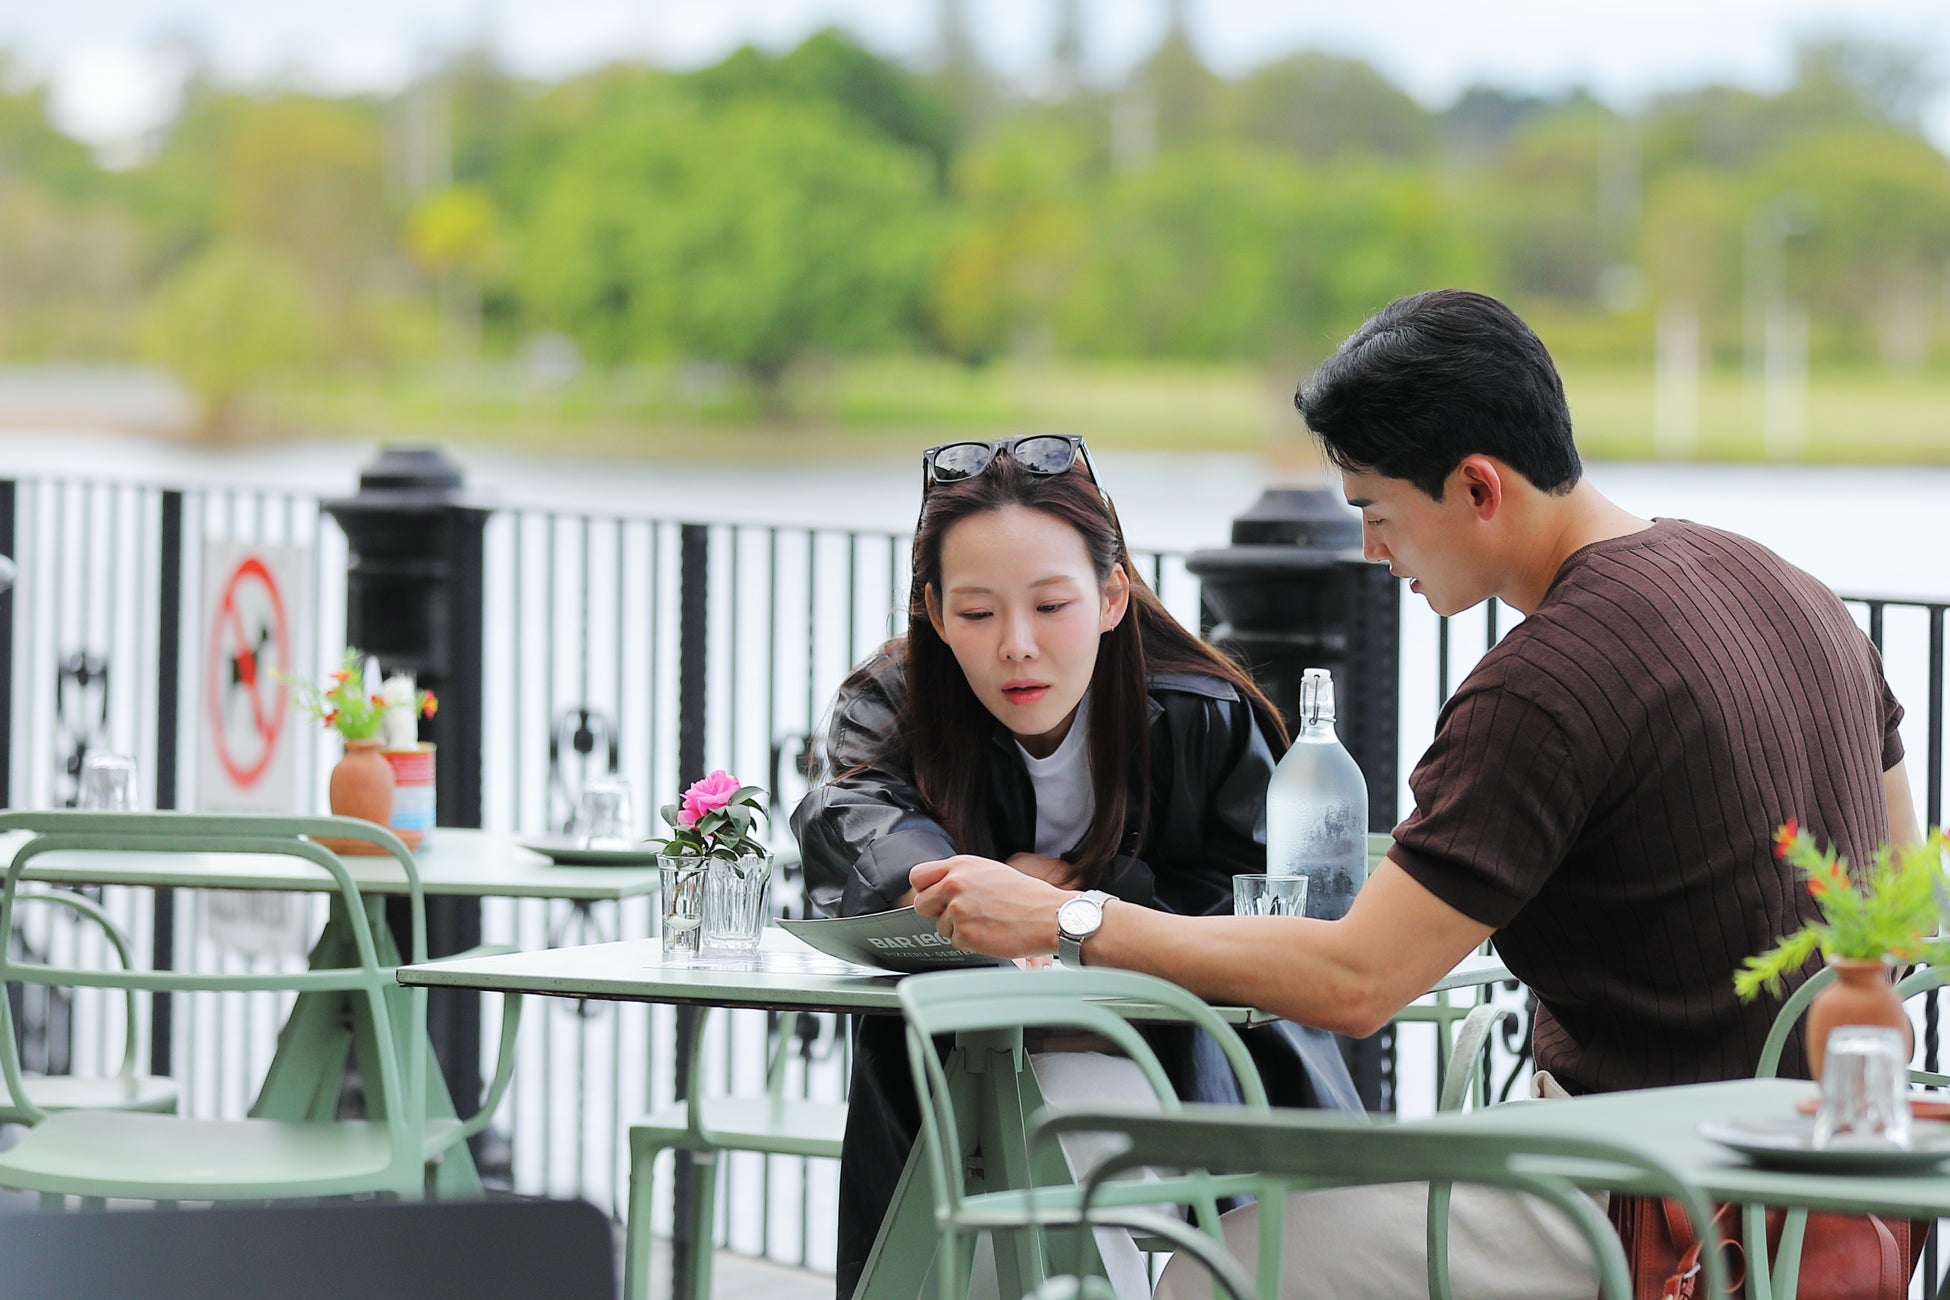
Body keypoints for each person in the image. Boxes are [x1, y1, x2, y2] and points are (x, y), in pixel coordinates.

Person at [910, 291, 1921, 1297]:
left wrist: (1070, 918)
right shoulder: (1796, 592)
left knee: (1227, 1261)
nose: (1369, 550)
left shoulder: (1545, 683)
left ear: (1478, 486)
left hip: (1656, 1211)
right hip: (1849, 1201)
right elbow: (1905, 904)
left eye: (1375, 510)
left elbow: (1357, 983)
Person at [791, 434, 1361, 1299]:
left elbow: (1260, 914)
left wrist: (1077, 903)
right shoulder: (892, 706)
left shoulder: (1200, 715)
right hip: (954, 1078)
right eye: (977, 614)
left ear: (1110, 596)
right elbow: (855, 834)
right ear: (935, 613)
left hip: (1190, 1076)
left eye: (1051, 605)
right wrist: (972, 888)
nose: (1016, 645)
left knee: (1055, 1119)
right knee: (1015, 1134)